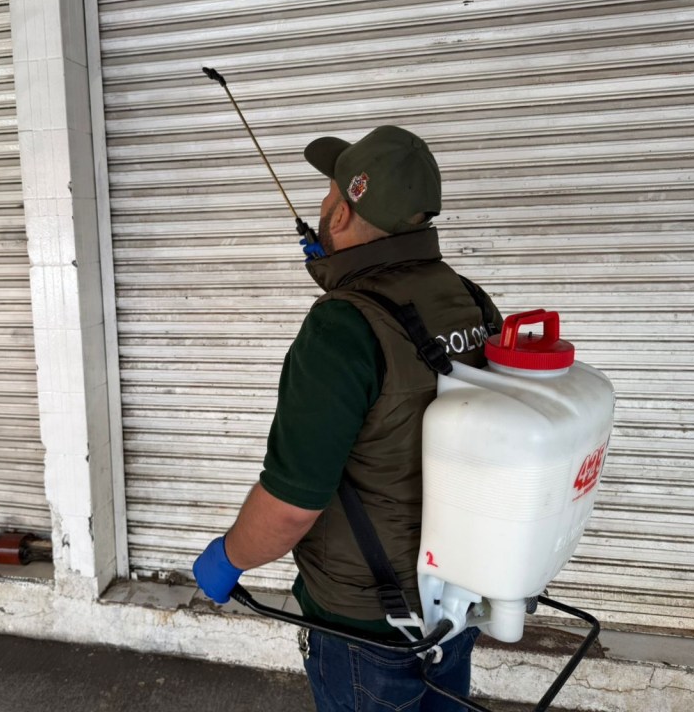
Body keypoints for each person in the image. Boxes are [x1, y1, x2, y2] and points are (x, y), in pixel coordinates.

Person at [193, 125, 502, 712]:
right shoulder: (469, 299)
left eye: (329, 191)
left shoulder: (342, 329)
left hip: (365, 626)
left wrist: (228, 558)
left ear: (339, 214)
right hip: (454, 598)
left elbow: (289, 507)